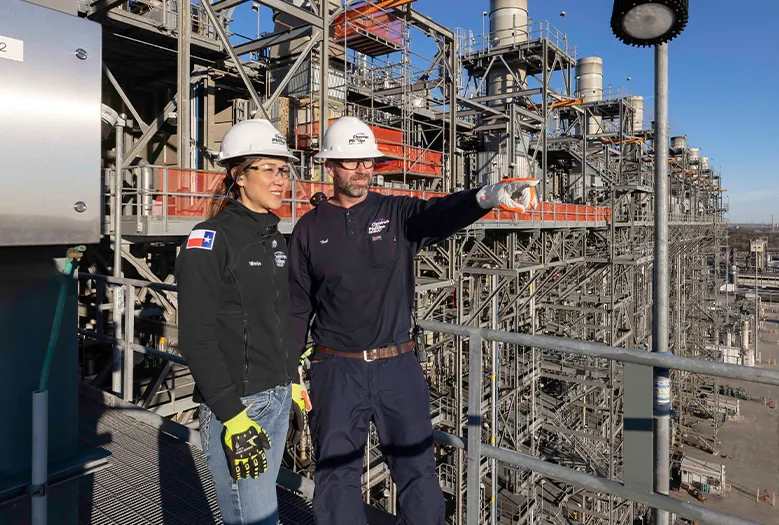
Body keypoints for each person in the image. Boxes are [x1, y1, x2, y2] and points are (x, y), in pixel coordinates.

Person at [288, 116, 538, 525]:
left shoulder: (396, 213)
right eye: (352, 162)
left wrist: (486, 196)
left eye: (368, 161)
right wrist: (289, 370)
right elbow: (297, 303)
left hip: (397, 365)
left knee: (418, 475)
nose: (362, 170)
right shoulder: (309, 229)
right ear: (330, 165)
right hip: (335, 368)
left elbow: (438, 215)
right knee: (336, 477)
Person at [176, 118, 300, 525]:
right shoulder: (209, 238)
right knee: (254, 519)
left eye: (284, 169)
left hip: (276, 396)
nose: (280, 179)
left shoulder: (274, 237)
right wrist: (232, 414)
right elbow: (196, 336)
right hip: (241, 407)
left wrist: (291, 376)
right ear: (239, 176)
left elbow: (276, 318)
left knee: (261, 514)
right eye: (268, 168)